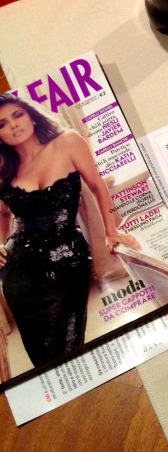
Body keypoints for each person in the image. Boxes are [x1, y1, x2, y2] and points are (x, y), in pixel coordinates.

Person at [0, 93, 141, 370]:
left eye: (18, 115)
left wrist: (111, 231)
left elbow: (98, 186)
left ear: (31, 115)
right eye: (2, 124)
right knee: (42, 358)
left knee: (69, 347)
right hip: (19, 273)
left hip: (69, 263)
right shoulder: (3, 167)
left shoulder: (68, 142)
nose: (13, 125)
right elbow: (3, 213)